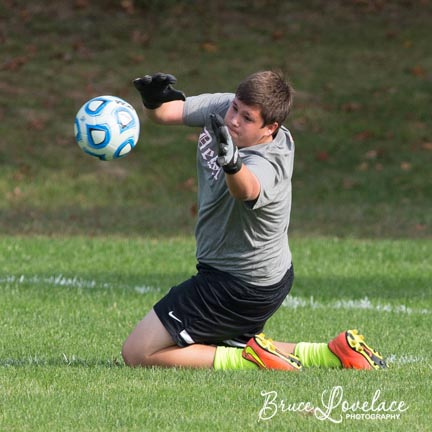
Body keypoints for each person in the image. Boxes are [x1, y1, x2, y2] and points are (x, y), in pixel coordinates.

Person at [121, 71, 387, 371]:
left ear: (270, 127)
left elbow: (247, 190)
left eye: (247, 118)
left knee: (138, 351)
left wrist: (233, 164)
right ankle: (335, 354)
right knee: (217, 341)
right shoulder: (229, 109)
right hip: (256, 278)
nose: (234, 120)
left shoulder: (270, 159)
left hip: (237, 284)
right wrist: (154, 100)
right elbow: (168, 113)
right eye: (235, 108)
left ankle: (250, 360)